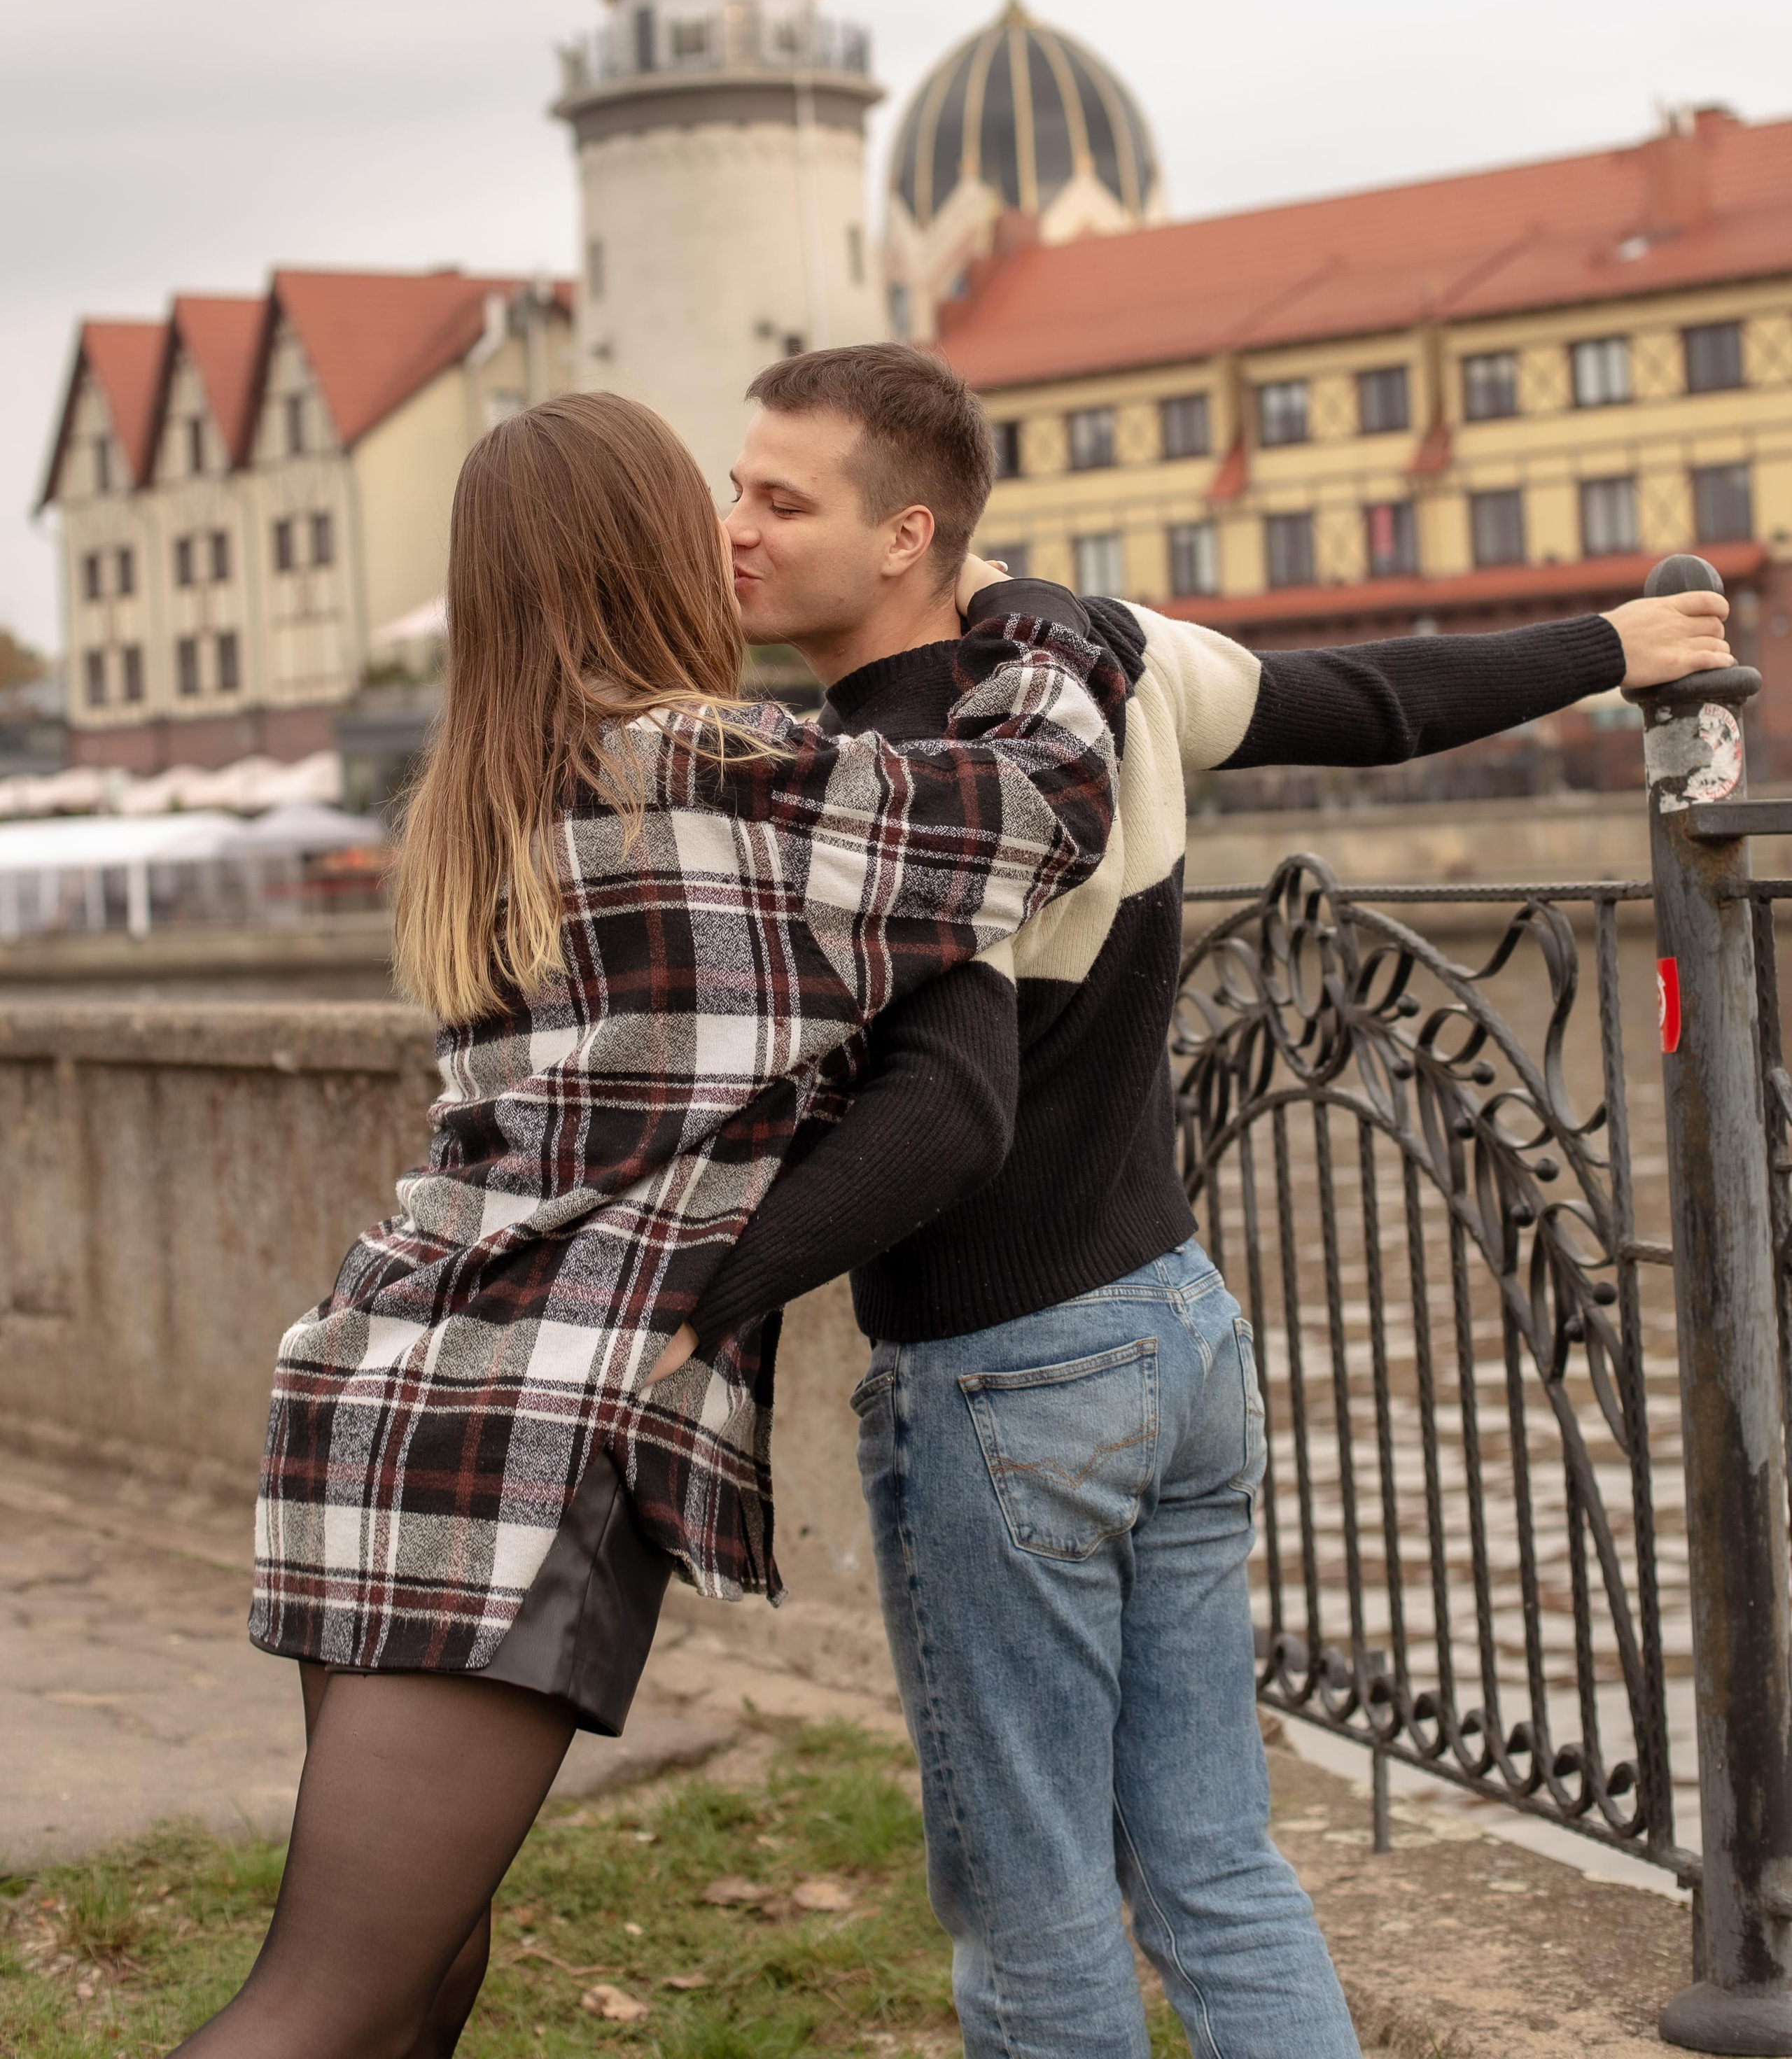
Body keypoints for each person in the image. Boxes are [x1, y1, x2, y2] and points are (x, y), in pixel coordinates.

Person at [707, 340, 1735, 2059]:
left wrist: (681, 1290)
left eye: (776, 498)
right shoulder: (1101, 664)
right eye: (736, 485)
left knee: (1034, 1914)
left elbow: (941, 1119)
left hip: (1005, 1370)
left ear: (904, 536)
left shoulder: (889, 787)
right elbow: (1376, 705)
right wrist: (1614, 648)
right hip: (1177, 1330)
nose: (732, 525)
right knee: (1215, 1868)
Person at [174, 388, 1128, 2059]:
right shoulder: (706, 768)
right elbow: (1042, 805)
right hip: (522, 1435)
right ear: (642, 548)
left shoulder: (479, 800)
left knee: (410, 1986)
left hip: (380, 1389)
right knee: (325, 2002)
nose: (729, 533)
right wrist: (1039, 636)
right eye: (698, 504)